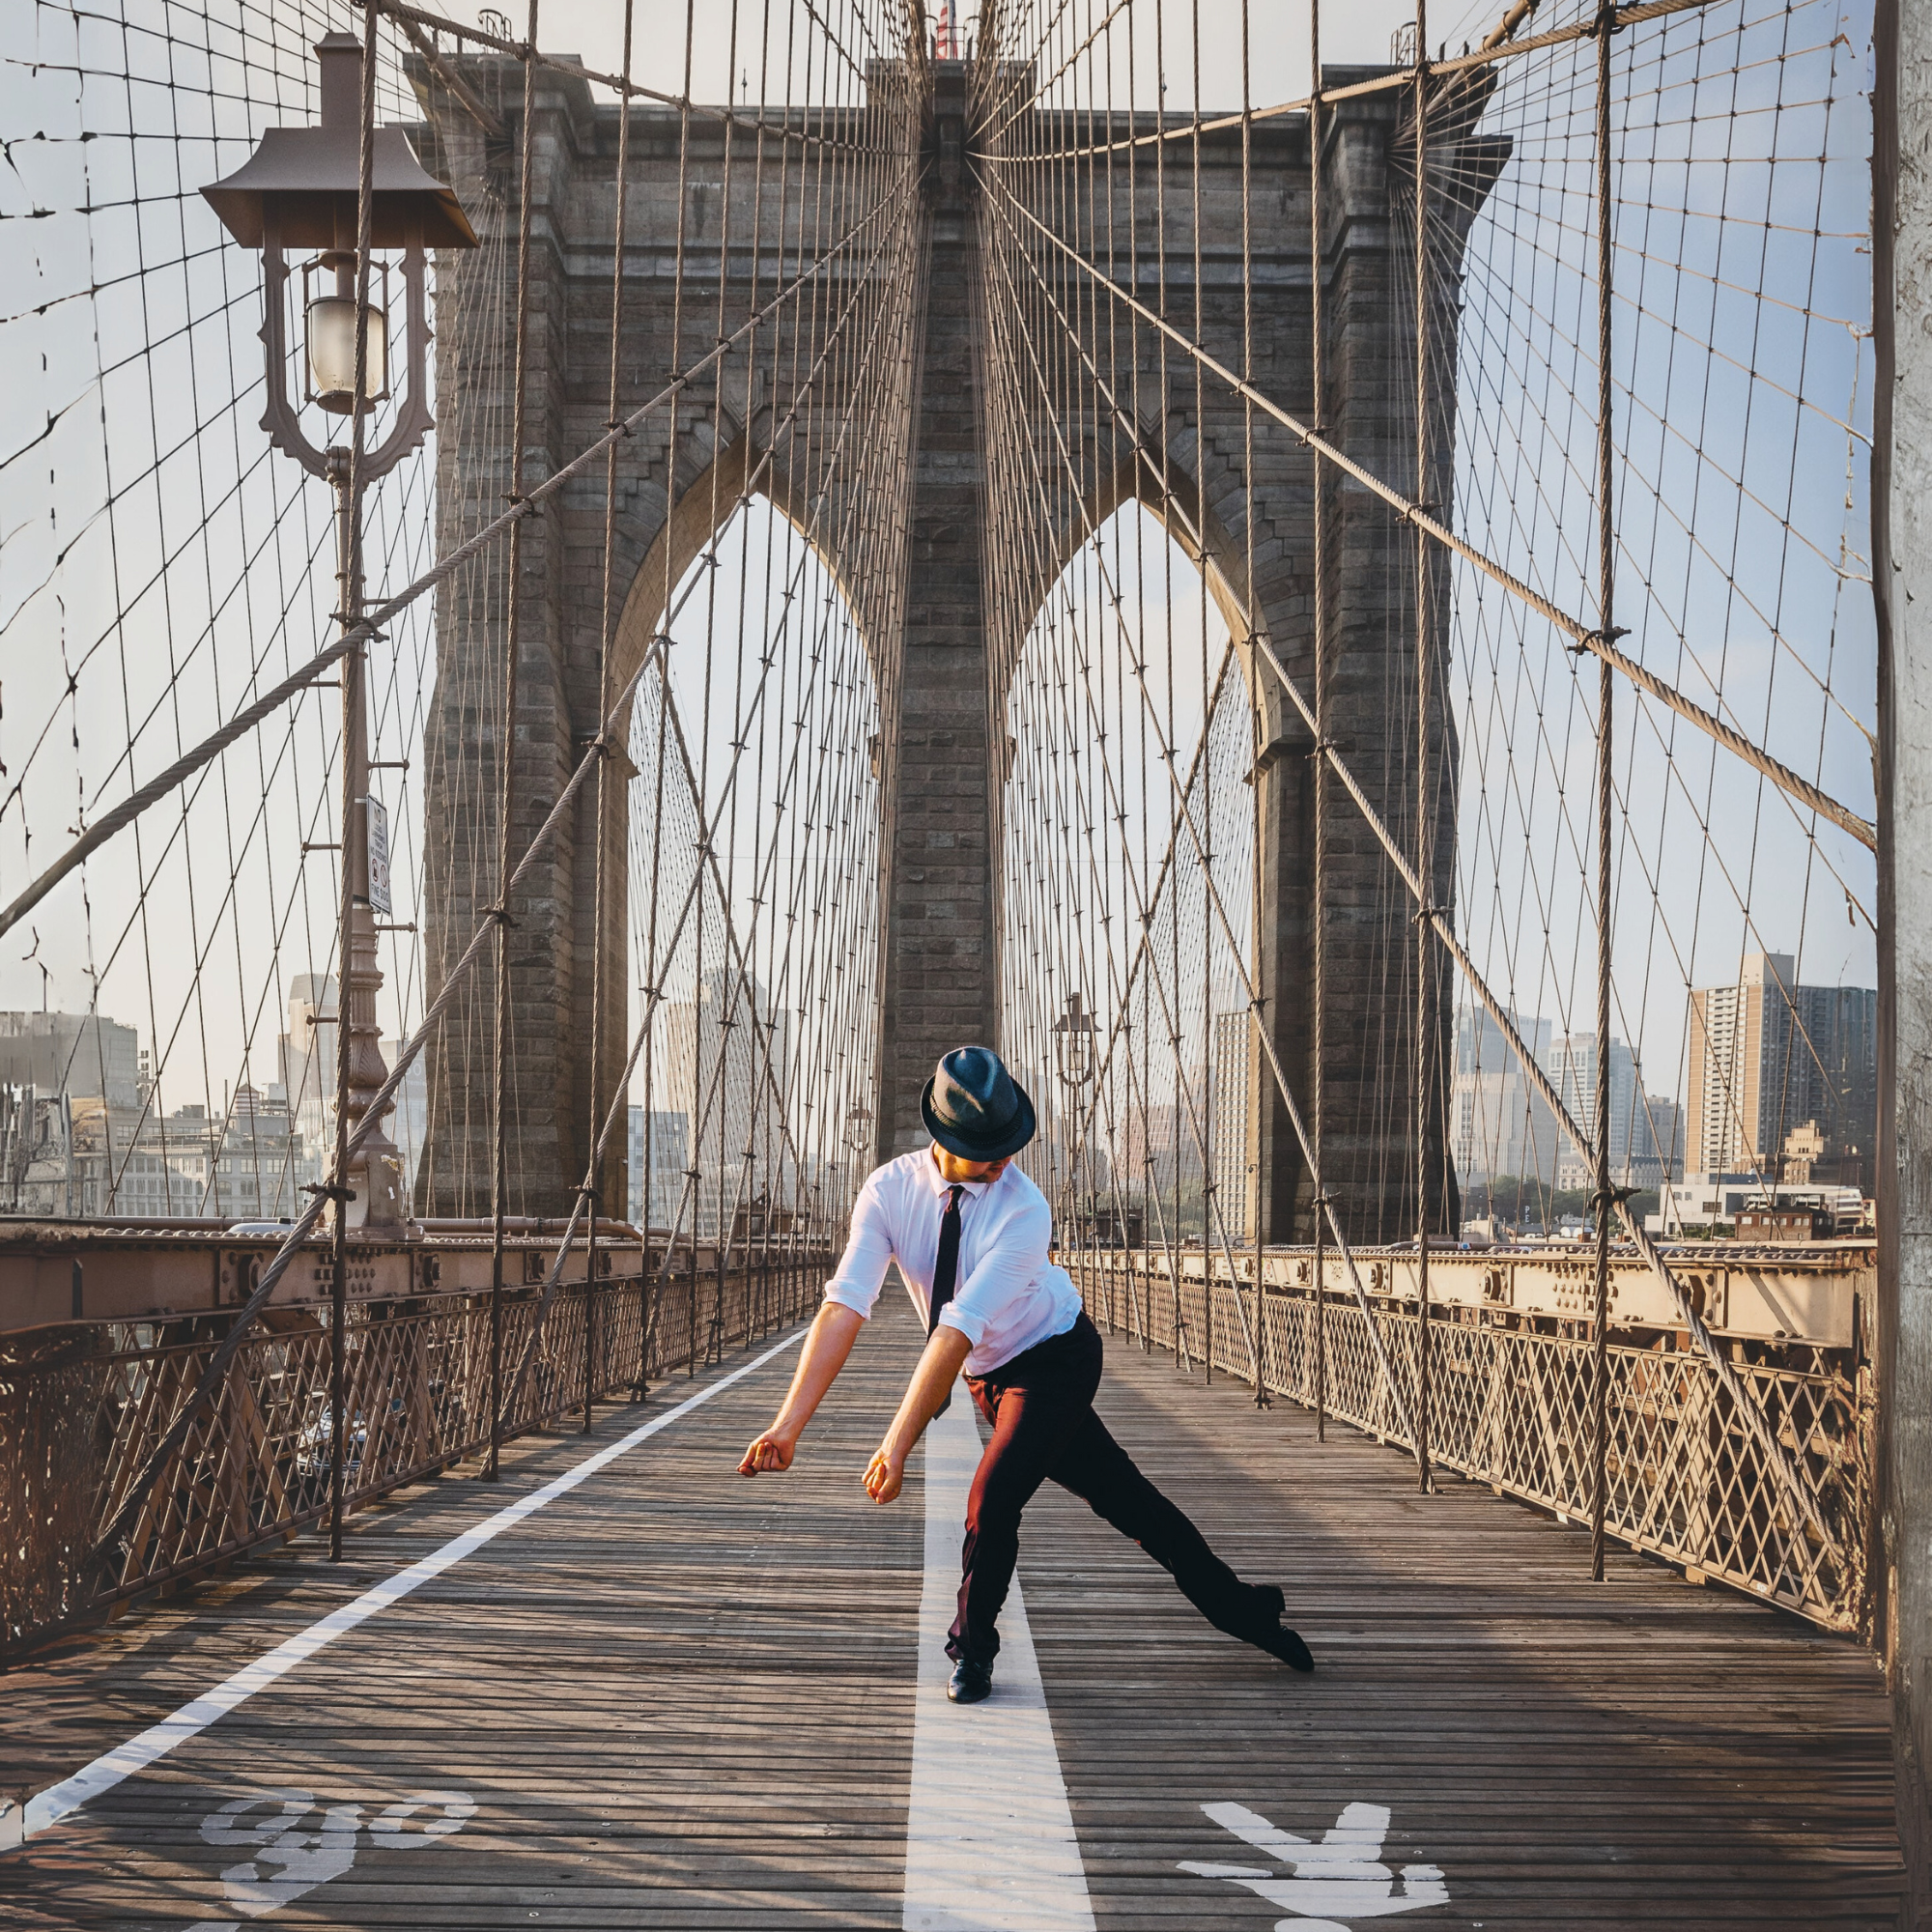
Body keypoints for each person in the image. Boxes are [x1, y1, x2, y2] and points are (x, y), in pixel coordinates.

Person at [738, 1044, 1314, 1704]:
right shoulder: (889, 1190)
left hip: (1056, 1358)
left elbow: (956, 1329)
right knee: (1127, 1500)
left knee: (992, 1498)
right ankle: (1242, 1609)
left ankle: (971, 1652)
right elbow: (844, 1307)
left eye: (1012, 1141)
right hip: (991, 1374)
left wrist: (897, 1445)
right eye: (993, 1147)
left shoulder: (1024, 1209)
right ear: (946, 1137)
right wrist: (788, 1426)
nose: (1008, 1158)